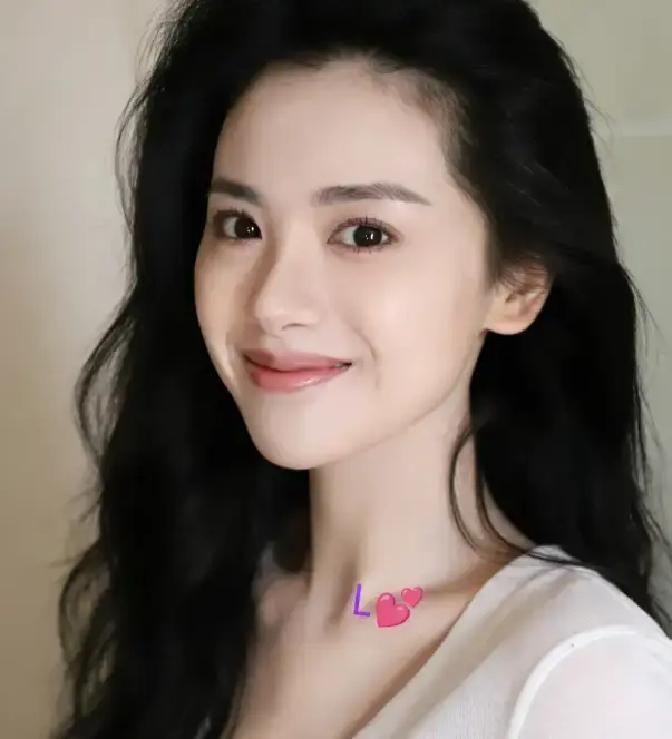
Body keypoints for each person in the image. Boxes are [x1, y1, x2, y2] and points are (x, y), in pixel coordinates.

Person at [52, 1, 672, 738]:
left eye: (364, 233)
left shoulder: (584, 684)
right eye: (241, 226)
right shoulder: (196, 601)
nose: (273, 302)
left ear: (517, 284)